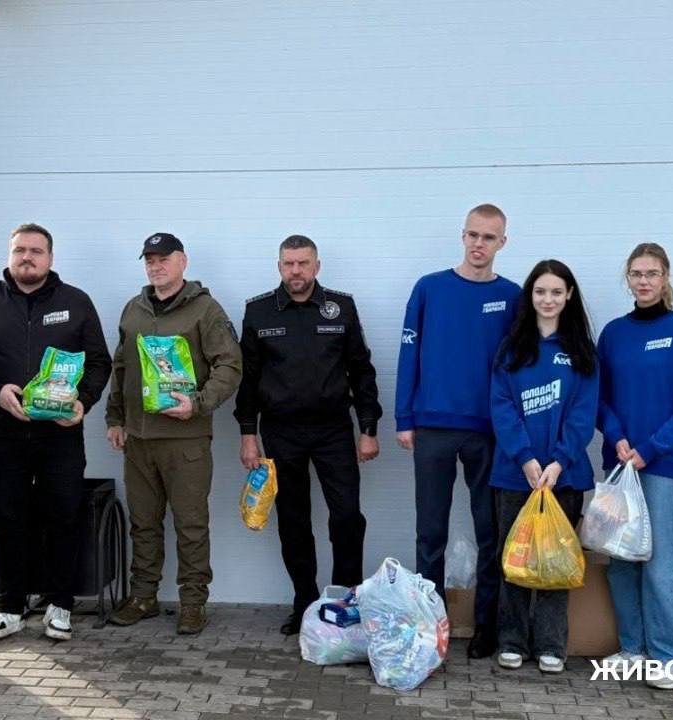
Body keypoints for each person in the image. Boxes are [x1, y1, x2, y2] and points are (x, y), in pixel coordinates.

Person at [0, 223, 112, 642]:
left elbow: (99, 361)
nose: (28, 257)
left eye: (36, 251)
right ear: (10, 255)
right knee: (7, 519)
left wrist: (83, 401)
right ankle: (9, 607)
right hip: (2, 432)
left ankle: (60, 604)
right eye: (20, 250)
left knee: (63, 516)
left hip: (59, 435)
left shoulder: (75, 302)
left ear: (50, 257)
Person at [235, 234, 382, 635]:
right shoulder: (259, 312)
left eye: (303, 263)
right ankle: (304, 602)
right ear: (279, 266)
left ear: (317, 266)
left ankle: (344, 602)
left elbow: (361, 371)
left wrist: (368, 428)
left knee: (347, 518)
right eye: (288, 264)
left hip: (334, 429)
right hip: (281, 432)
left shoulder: (341, 307)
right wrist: (248, 434)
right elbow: (247, 382)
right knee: (293, 521)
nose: (295, 271)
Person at [395, 203, 521, 658]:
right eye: (472, 235)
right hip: (432, 427)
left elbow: (521, 365)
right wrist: (403, 417)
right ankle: (433, 625)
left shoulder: (513, 296)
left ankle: (486, 624)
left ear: (502, 242)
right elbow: (409, 354)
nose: (478, 244)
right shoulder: (429, 288)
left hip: (489, 432)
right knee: (431, 533)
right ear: (462, 236)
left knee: (491, 532)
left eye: (489, 237)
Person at [105, 232, 242, 634]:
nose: (155, 266)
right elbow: (120, 368)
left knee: (190, 524)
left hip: (186, 441)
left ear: (182, 261)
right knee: (143, 523)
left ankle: (193, 602)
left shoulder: (205, 310)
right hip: (139, 440)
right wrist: (115, 419)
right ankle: (143, 597)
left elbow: (230, 366)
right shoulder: (134, 309)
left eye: (163, 258)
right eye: (149, 259)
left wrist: (198, 403)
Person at [596, 242, 673, 690]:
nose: (644, 281)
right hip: (621, 465)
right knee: (622, 560)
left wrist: (651, 447)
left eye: (652, 273)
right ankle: (633, 647)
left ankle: (672, 655)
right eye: (637, 273)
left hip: (663, 466)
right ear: (628, 278)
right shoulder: (613, 333)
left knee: (661, 564)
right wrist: (619, 438)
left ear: (666, 278)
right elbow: (599, 398)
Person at [489, 259, 598, 674]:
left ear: (568, 295)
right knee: (513, 558)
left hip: (564, 477)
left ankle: (552, 644)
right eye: (540, 291)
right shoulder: (511, 350)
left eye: (556, 291)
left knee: (556, 561)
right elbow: (500, 407)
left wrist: (557, 462)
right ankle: (512, 640)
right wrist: (526, 459)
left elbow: (583, 415)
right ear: (529, 296)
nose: (548, 299)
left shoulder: (582, 352)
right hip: (514, 474)